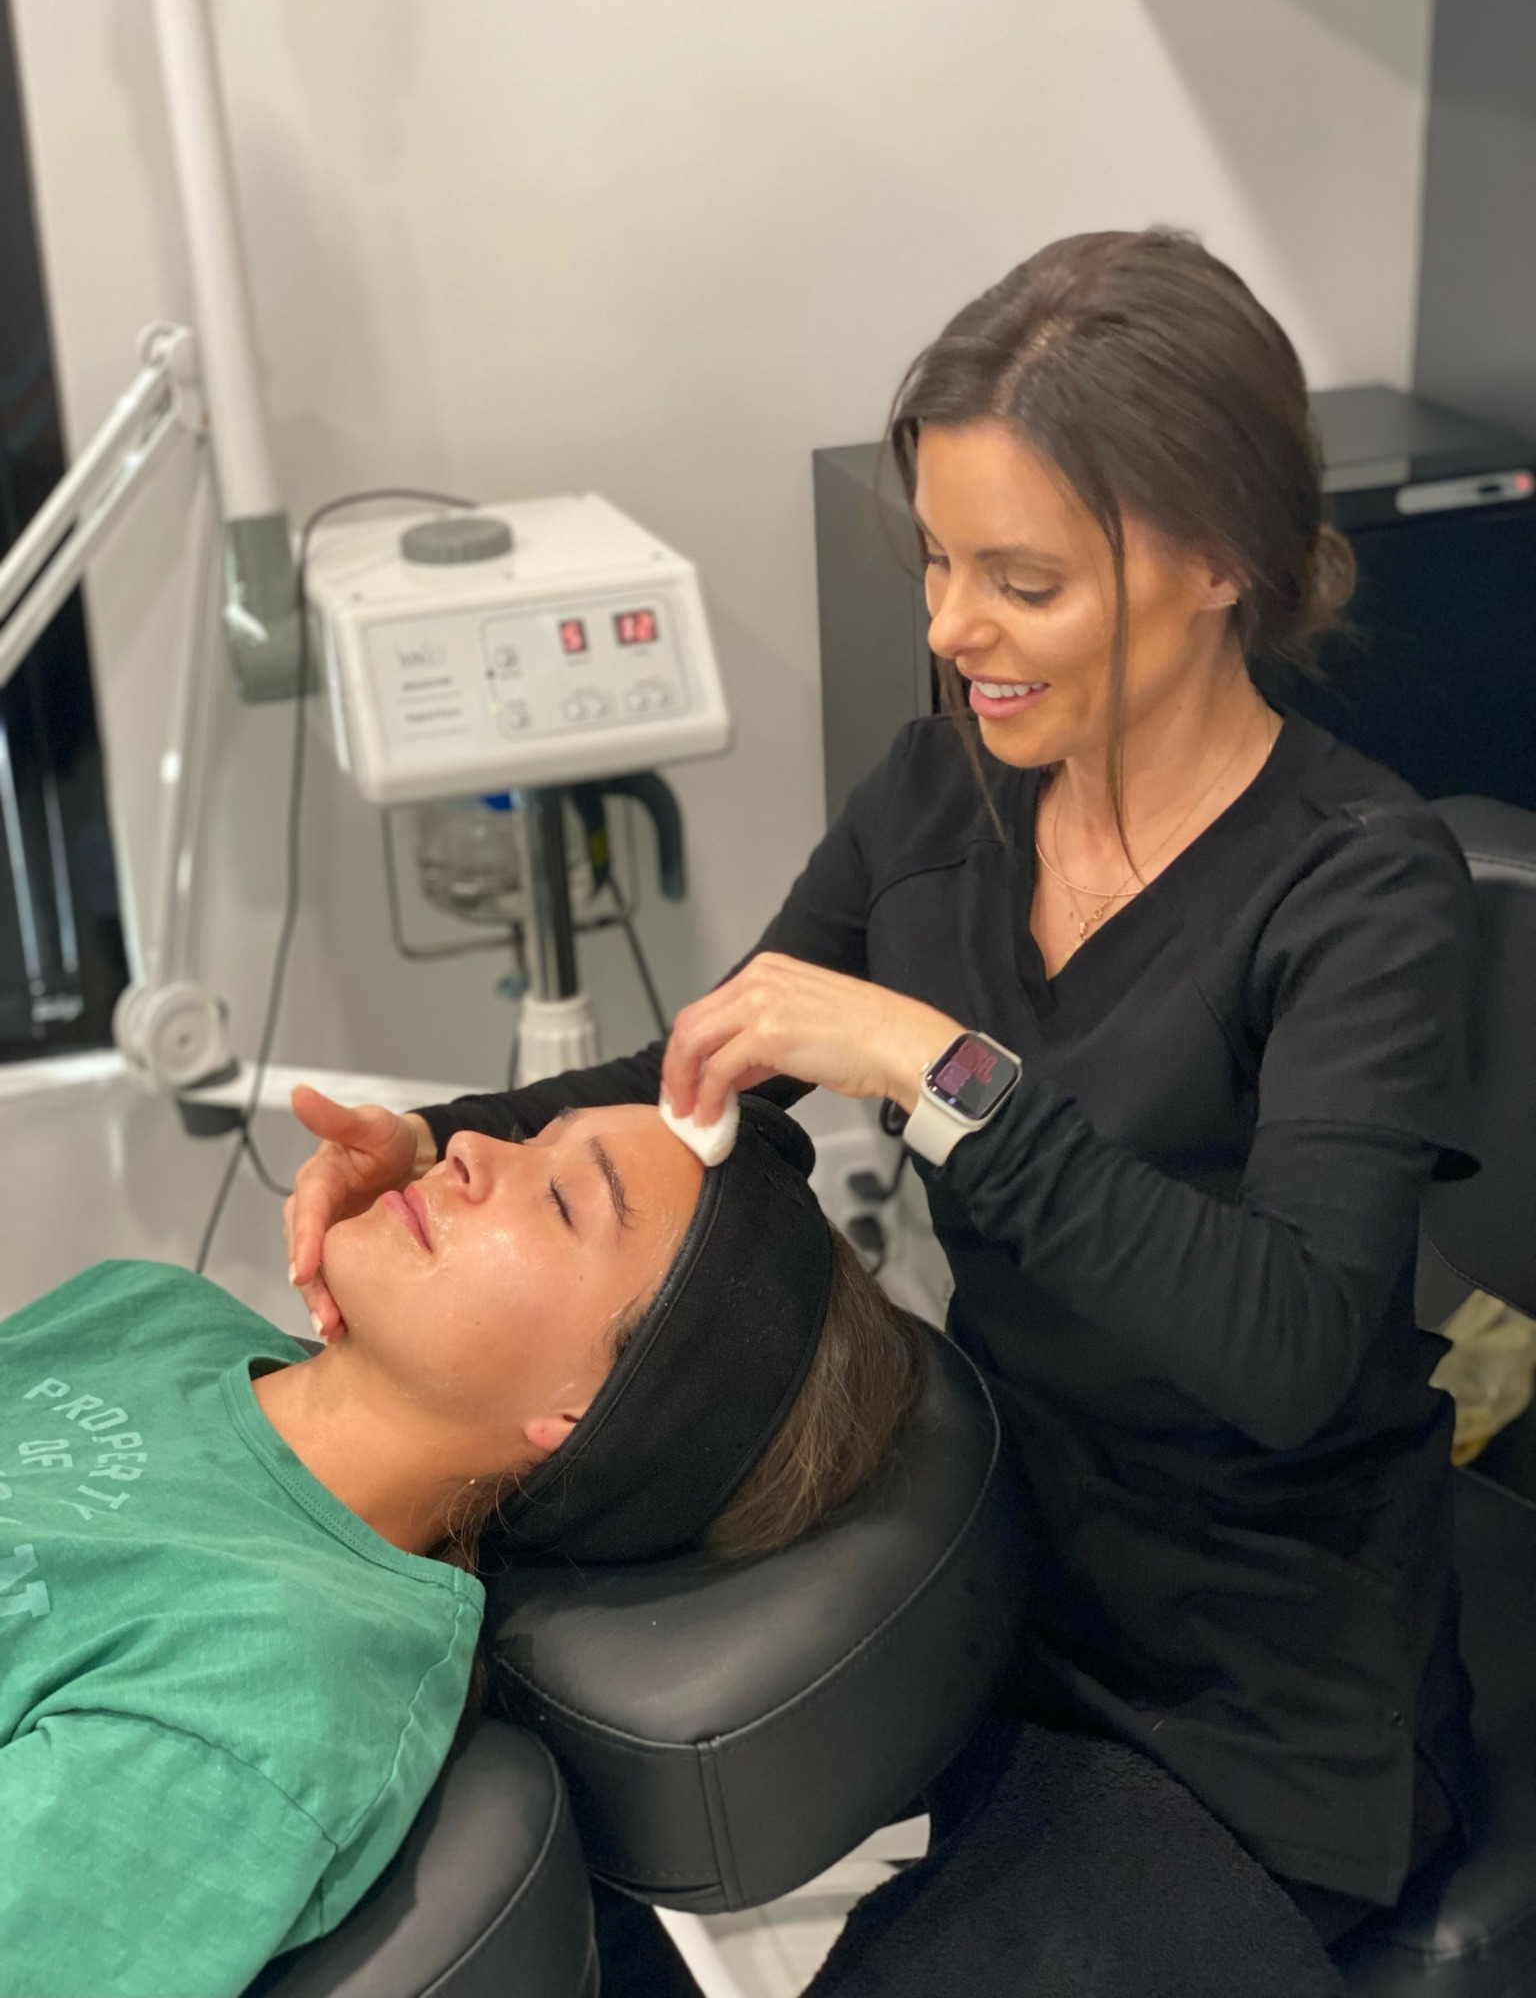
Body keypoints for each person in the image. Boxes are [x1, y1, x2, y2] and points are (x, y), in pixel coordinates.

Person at [289, 227, 1482, 1986]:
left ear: (1217, 562)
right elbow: (710, 1070)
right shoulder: (942, 791)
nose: (947, 628)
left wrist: (941, 1070)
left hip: (1264, 1695)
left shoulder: (1361, 885)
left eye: (1022, 580)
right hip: (1004, 1584)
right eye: (935, 558)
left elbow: (1293, 1344)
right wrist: (445, 1144)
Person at [0, 1097, 925, 1998]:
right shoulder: (151, 1309)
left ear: (591, 1416)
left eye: (563, 1201)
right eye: (539, 1136)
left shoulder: (268, 1692)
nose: (472, 1146)